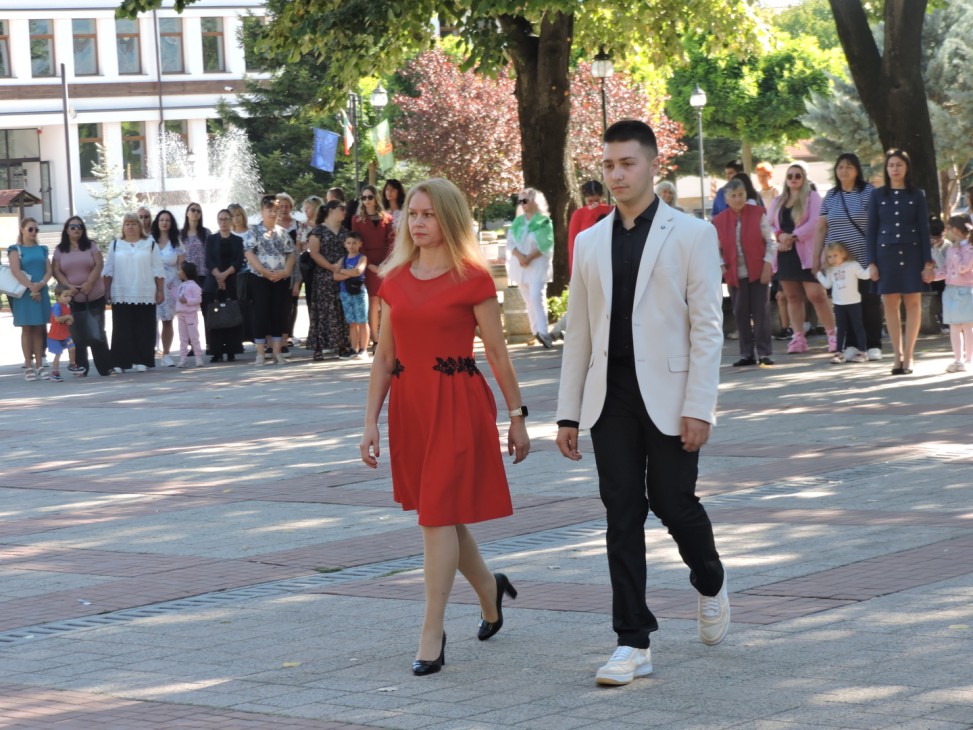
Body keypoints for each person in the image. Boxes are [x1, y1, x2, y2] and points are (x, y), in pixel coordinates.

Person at [555, 120, 728, 687]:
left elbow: (707, 327)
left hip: (674, 396)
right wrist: (568, 413)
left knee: (674, 503)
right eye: (608, 165)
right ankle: (632, 641)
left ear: (653, 165)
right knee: (622, 514)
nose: (616, 174)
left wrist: (700, 405)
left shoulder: (692, 234)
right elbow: (580, 333)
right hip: (610, 400)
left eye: (627, 163)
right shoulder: (588, 241)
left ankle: (710, 579)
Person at [360, 177, 530, 676]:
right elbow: (384, 357)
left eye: (428, 214)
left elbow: (497, 353)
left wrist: (517, 417)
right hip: (411, 408)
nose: (417, 222)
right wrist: (369, 422)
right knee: (444, 515)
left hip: (458, 405)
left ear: (450, 218)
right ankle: (490, 589)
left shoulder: (472, 278)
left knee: (435, 516)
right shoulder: (394, 279)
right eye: (413, 214)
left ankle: (431, 633)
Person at [866, 148, 934, 375]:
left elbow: (923, 229)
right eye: (891, 165)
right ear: (886, 169)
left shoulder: (917, 195)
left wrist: (927, 263)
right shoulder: (877, 195)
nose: (895, 169)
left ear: (907, 168)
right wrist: (871, 262)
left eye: (899, 165)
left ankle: (910, 355)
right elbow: (871, 230)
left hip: (912, 254)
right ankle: (897, 355)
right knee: (890, 303)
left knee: (913, 302)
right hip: (885, 255)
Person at [813, 153, 882, 361]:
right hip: (838, 261)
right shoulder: (831, 195)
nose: (844, 170)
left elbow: (877, 223)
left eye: (849, 167)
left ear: (857, 170)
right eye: (840, 166)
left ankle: (873, 344)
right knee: (845, 303)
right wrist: (816, 258)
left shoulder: (868, 192)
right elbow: (821, 228)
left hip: (863, 256)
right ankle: (851, 344)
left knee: (869, 301)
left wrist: (876, 256)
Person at [769, 163, 836, 354]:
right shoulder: (778, 200)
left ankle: (833, 335)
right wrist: (780, 235)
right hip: (785, 253)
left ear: (804, 178)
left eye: (797, 175)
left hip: (806, 252)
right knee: (792, 297)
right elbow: (768, 223)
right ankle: (798, 338)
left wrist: (794, 236)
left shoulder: (812, 197)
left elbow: (816, 222)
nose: (793, 179)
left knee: (817, 295)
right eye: (790, 176)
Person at [714, 178, 777, 367]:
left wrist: (767, 264)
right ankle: (746, 354)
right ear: (726, 198)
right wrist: (722, 266)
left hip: (758, 271)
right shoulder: (719, 221)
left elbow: (771, 240)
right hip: (735, 274)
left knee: (761, 313)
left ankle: (764, 353)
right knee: (740, 314)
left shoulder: (758, 214)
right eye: (733, 195)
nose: (737, 199)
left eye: (740, 194)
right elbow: (715, 249)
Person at [104, 212, 164, 373]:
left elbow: (158, 269)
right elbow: (108, 269)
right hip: (121, 291)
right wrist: (106, 291)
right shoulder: (115, 245)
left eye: (134, 223)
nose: (130, 227)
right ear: (123, 227)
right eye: (127, 224)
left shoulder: (150, 244)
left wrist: (160, 290)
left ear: (140, 226)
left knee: (144, 326)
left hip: (145, 290)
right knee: (121, 328)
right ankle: (120, 362)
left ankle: (143, 360)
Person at [52, 217, 112, 376]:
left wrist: (90, 283)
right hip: (71, 299)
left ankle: (105, 367)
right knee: (76, 334)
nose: (76, 229)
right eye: (72, 226)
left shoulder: (91, 245)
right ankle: (81, 367)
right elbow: (56, 270)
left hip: (94, 295)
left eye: (79, 226)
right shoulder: (60, 249)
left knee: (97, 330)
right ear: (66, 229)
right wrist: (67, 286)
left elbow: (99, 264)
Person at [244, 195, 296, 365]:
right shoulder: (254, 231)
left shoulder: (283, 233)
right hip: (259, 278)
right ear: (262, 211)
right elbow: (248, 252)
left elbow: (291, 254)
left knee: (278, 313)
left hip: (280, 278)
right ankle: (260, 353)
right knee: (260, 313)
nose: (273, 213)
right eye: (269, 210)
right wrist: (263, 270)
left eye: (275, 210)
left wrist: (286, 271)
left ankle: (277, 352)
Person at [506, 188, 555, 348]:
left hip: (538, 265)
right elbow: (510, 242)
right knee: (528, 300)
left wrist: (529, 258)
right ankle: (535, 332)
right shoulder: (517, 222)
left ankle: (543, 333)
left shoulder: (544, 221)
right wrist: (520, 257)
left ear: (534, 201)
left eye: (525, 200)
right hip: (520, 266)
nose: (522, 204)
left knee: (536, 297)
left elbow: (546, 244)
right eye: (520, 201)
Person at [306, 200, 353, 359]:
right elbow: (314, 253)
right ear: (331, 210)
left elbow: (349, 251)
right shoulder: (318, 231)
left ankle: (342, 345)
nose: (344, 211)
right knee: (322, 311)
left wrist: (340, 266)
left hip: (341, 275)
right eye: (342, 208)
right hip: (323, 276)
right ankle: (318, 347)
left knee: (340, 310)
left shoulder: (345, 232)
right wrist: (331, 267)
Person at [7, 217, 52, 381]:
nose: (34, 232)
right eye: (30, 229)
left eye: (36, 229)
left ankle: (40, 364)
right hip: (24, 293)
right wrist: (31, 286)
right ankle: (28, 365)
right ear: (22, 230)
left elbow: (49, 271)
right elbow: (15, 270)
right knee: (26, 329)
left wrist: (41, 284)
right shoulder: (15, 249)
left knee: (39, 328)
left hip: (41, 290)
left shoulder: (42, 249)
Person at [353, 184, 395, 352]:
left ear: (376, 198)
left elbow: (391, 241)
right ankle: (376, 339)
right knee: (373, 300)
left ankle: (386, 337)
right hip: (367, 262)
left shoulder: (388, 218)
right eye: (363, 197)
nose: (367, 200)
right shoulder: (357, 219)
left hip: (385, 262)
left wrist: (386, 264)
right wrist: (368, 264)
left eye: (370, 197)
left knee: (386, 301)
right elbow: (358, 243)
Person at [816, 242, 872, 364]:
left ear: (843, 254)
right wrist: (819, 274)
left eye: (835, 255)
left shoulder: (853, 265)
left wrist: (872, 265)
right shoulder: (830, 270)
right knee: (840, 328)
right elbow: (827, 284)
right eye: (829, 257)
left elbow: (864, 275)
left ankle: (863, 351)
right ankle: (839, 352)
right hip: (839, 304)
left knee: (858, 327)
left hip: (854, 302)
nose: (832, 259)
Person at [932, 215, 973, 372]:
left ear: (955, 230)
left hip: (966, 291)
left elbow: (963, 268)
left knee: (968, 326)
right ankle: (958, 360)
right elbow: (947, 270)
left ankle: (968, 360)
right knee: (954, 327)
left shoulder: (969, 248)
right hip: (951, 291)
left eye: (948, 229)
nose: (946, 232)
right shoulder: (951, 249)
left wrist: (955, 250)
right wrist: (932, 276)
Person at [203, 209, 245, 362]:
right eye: (220, 219)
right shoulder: (211, 239)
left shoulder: (238, 240)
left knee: (231, 314)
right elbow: (208, 260)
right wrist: (218, 276)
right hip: (213, 282)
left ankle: (232, 350)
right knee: (214, 316)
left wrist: (225, 275)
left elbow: (238, 261)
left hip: (231, 281)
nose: (223, 222)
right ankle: (216, 351)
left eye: (226, 219)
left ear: (231, 220)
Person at [152, 209, 184, 367]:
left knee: (167, 320)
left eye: (167, 220)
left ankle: (166, 354)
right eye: (161, 220)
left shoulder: (176, 242)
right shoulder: (150, 241)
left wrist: (182, 287)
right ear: (157, 222)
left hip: (171, 285)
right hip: (151, 284)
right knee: (150, 321)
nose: (164, 222)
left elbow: (181, 266)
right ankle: (149, 353)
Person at [333, 231, 369, 359]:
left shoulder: (362, 258)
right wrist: (350, 273)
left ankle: (364, 349)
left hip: (359, 293)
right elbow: (335, 276)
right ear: (345, 244)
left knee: (362, 321)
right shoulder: (342, 259)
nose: (351, 245)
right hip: (345, 293)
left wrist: (344, 271)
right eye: (349, 243)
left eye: (354, 243)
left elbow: (358, 270)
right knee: (352, 322)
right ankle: (354, 348)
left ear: (360, 244)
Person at [569, 181, 614, 277]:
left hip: (607, 259)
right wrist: (574, 271)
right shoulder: (579, 214)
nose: (594, 204)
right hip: (587, 260)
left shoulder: (611, 210)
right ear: (584, 198)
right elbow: (573, 242)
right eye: (590, 201)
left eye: (597, 200)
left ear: (601, 197)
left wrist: (598, 210)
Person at [228, 203, 255, 345]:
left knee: (252, 306)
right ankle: (238, 338)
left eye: (238, 215)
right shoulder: (229, 234)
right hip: (235, 274)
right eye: (232, 216)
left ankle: (254, 335)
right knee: (237, 305)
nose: (236, 218)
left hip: (251, 272)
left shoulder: (252, 233)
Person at [276, 192, 300, 350]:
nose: (284, 209)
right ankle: (276, 336)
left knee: (292, 304)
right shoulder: (271, 225)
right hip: (276, 269)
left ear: (291, 207)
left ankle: (288, 334)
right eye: (281, 206)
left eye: (287, 206)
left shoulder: (297, 225)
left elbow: (300, 248)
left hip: (294, 267)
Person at [46, 284, 82, 382]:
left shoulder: (67, 306)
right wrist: (69, 317)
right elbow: (57, 319)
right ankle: (55, 372)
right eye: (65, 296)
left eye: (70, 296)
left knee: (72, 348)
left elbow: (69, 322)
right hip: (55, 336)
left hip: (65, 335)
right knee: (58, 354)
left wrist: (69, 319)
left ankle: (72, 364)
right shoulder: (57, 306)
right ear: (58, 296)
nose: (68, 298)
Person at [174, 261, 204, 368]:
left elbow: (198, 299)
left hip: (190, 315)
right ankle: (183, 359)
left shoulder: (194, 286)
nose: (178, 272)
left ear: (185, 272)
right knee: (183, 338)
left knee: (194, 337)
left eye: (180, 270)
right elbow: (177, 297)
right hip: (181, 315)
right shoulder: (181, 286)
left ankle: (198, 357)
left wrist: (187, 300)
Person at [179, 202, 210, 289]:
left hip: (202, 274)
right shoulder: (180, 234)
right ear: (187, 213)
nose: (196, 212)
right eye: (193, 210)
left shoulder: (206, 233)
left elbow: (210, 253)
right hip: (185, 274)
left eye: (198, 211)